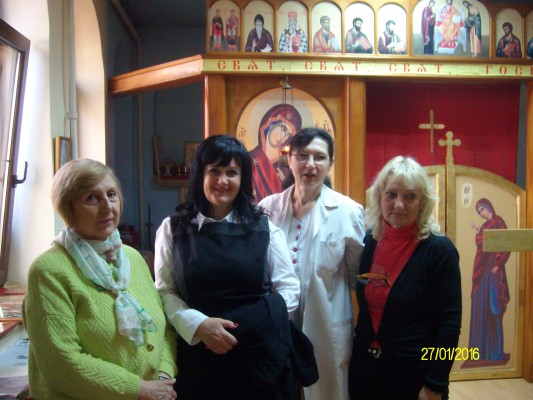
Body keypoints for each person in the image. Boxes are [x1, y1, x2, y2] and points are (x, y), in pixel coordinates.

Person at [154, 135, 305, 400]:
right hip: (198, 355)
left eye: (232, 172)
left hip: (256, 357)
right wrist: (199, 325)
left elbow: (289, 289)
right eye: (214, 171)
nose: (222, 181)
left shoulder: (265, 229)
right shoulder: (173, 229)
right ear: (200, 175)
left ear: (243, 178)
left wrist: (246, 326)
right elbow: (165, 291)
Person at [23, 159, 178, 400]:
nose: (107, 207)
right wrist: (138, 389)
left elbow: (164, 328)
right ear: (68, 208)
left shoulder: (133, 258)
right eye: (92, 198)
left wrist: (163, 375)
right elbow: (61, 364)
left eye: (111, 195)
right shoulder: (49, 271)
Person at [259, 128, 366, 400]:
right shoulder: (267, 209)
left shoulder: (348, 212)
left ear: (330, 163)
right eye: (302, 156)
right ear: (289, 160)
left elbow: (355, 275)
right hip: (278, 326)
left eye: (319, 157)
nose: (310, 164)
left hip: (326, 325)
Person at [348, 156, 461, 400]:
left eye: (410, 196)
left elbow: (450, 324)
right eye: (391, 194)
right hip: (366, 371)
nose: (399, 205)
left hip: (414, 375)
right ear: (380, 196)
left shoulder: (439, 251)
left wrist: (435, 383)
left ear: (422, 202)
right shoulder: (369, 241)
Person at [463, 198, 510, 366]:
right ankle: (480, 353)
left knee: (495, 309)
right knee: (481, 308)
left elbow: (506, 244)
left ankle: (496, 352)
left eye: (482, 209)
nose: (482, 213)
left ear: (489, 207)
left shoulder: (498, 222)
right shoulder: (485, 226)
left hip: (493, 271)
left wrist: (498, 265)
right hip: (482, 271)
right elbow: (481, 242)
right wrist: (480, 233)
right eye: (479, 211)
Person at [250, 103, 302, 202]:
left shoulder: (286, 168)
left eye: (289, 135)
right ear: (270, 125)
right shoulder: (249, 160)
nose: (284, 136)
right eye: (283, 129)